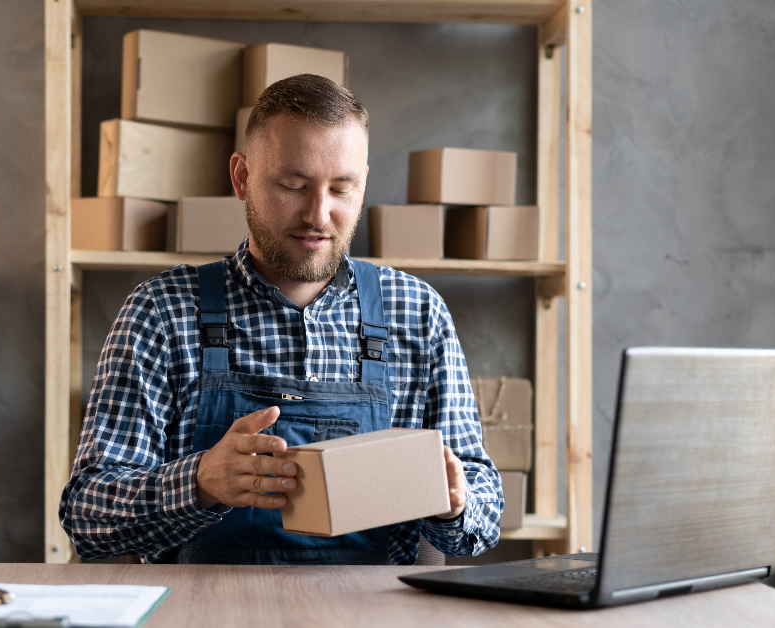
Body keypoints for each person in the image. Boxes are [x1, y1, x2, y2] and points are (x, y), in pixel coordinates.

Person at [60, 74, 503, 565]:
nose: (319, 214)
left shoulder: (417, 313)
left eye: (341, 188)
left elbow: (482, 523)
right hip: (204, 615)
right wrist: (200, 481)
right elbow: (87, 520)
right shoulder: (162, 312)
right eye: (294, 185)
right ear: (242, 177)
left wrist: (455, 505)